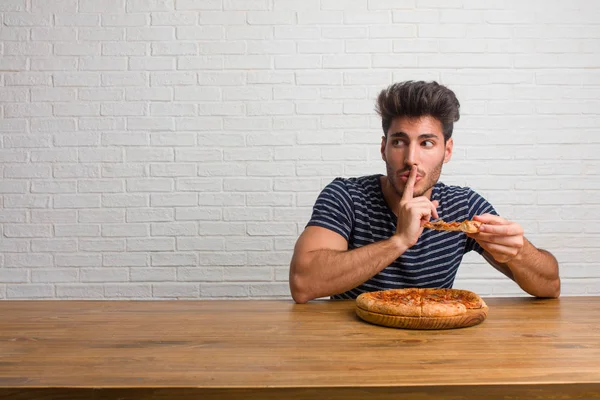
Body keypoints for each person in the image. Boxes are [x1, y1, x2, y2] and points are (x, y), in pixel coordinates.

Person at [289, 80, 560, 304]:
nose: (411, 158)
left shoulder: (463, 206)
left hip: (433, 347)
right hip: (351, 346)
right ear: (383, 147)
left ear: (447, 150)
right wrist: (400, 240)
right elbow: (303, 284)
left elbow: (551, 286)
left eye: (427, 143)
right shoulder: (346, 196)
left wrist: (519, 252)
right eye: (399, 142)